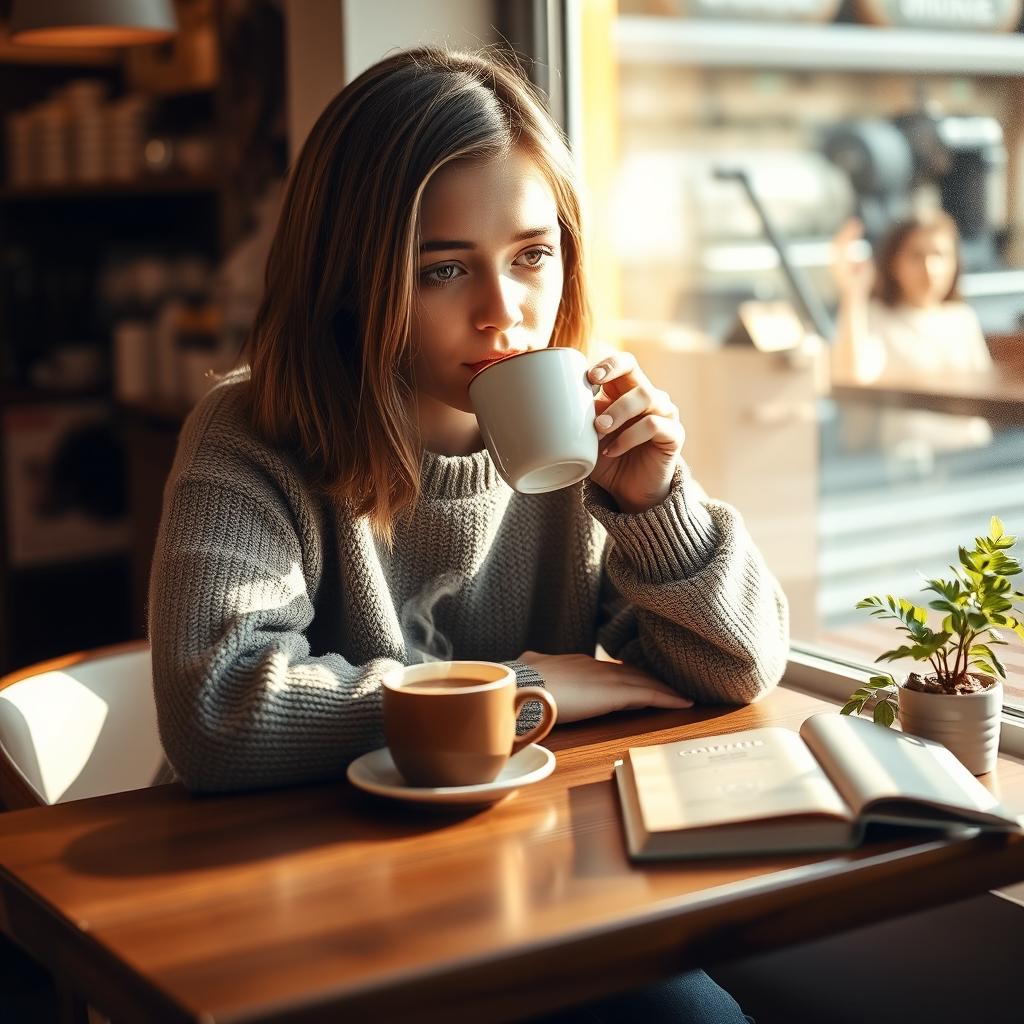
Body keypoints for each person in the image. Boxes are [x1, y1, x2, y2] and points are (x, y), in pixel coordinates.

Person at [149, 47, 785, 1023]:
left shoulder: (572, 437)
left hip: (525, 889)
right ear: (351, 275)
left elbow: (735, 665)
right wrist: (522, 693)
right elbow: (221, 712)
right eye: (443, 268)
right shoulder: (251, 437)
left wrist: (654, 504)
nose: (505, 312)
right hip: (296, 903)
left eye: (532, 254)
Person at [830, 212, 994, 458]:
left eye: (940, 255)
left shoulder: (962, 319)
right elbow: (853, 374)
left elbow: (984, 397)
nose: (930, 269)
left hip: (968, 458)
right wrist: (853, 293)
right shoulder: (875, 318)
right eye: (917, 256)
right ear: (893, 263)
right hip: (907, 463)